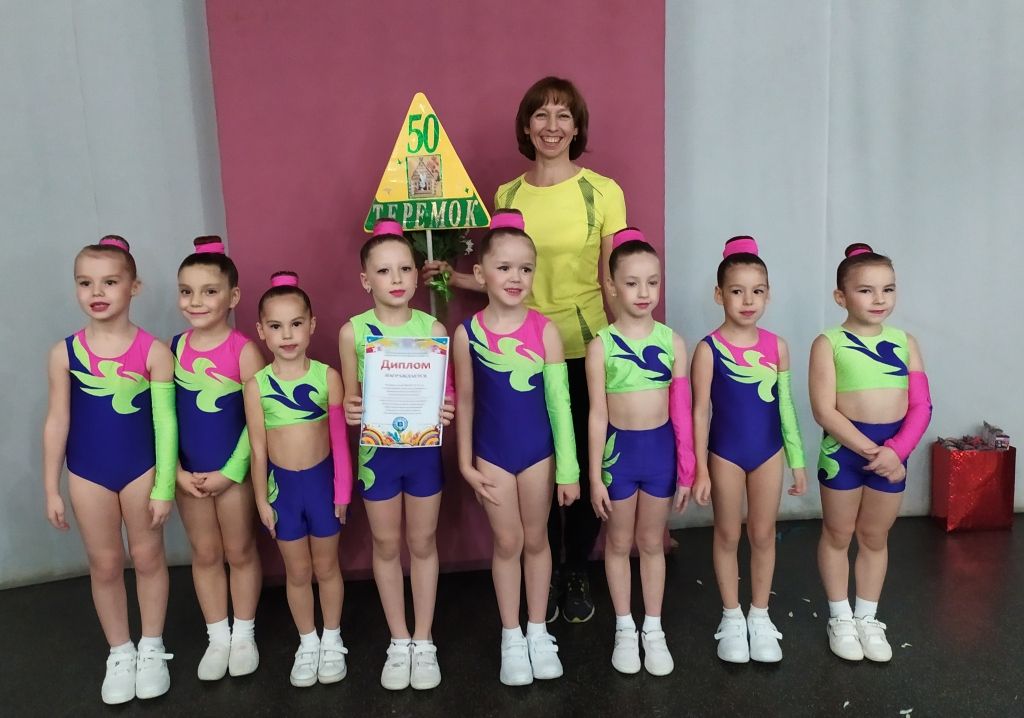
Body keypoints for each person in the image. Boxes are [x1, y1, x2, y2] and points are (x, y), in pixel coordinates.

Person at [424, 77, 626, 623]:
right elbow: (502, 273)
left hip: (582, 347)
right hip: (517, 354)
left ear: (577, 127)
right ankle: (545, 569)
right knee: (528, 462)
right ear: (526, 126)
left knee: (578, 463)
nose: (552, 127)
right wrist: (452, 277)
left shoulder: (604, 191)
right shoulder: (507, 196)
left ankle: (574, 567)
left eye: (563, 116)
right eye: (541, 115)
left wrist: (626, 343)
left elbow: (613, 279)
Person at [42, 235, 177, 704]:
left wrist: (164, 486)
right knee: (103, 564)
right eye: (85, 282)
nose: (96, 292)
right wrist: (51, 487)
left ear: (134, 287)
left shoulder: (154, 352)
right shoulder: (64, 354)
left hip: (141, 470)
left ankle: (152, 647)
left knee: (148, 557)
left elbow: (165, 424)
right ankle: (120, 651)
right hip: (87, 473)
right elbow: (58, 420)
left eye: (110, 282)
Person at [452, 210, 580, 685]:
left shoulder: (545, 331)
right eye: (504, 267)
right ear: (480, 273)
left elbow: (560, 405)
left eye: (525, 268)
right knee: (507, 542)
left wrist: (568, 470)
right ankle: (511, 635)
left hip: (539, 455)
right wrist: (465, 463)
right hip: (492, 456)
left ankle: (538, 630)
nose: (515, 277)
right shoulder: (467, 334)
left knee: (537, 538)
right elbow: (465, 400)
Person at [338, 219, 454, 691]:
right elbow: (350, 400)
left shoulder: (433, 328)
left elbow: (445, 394)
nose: (397, 278)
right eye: (384, 271)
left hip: (422, 453)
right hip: (377, 456)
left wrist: (446, 408)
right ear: (366, 280)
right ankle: (398, 639)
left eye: (405, 268)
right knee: (386, 545)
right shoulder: (352, 332)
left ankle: (424, 640)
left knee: (423, 543)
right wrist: (352, 409)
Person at [809, 243, 930, 662]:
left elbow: (921, 406)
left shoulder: (905, 342)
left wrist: (896, 452)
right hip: (843, 453)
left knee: (875, 538)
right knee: (838, 534)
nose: (879, 299)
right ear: (840, 296)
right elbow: (824, 410)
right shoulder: (828, 343)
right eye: (866, 290)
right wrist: (871, 450)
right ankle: (840, 617)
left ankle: (867, 617)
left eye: (888, 289)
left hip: (893, 455)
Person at [691, 236, 808, 663]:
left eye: (757, 291)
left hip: (768, 453)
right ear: (719, 294)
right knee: (727, 533)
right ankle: (731, 616)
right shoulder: (708, 349)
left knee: (762, 534)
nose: (747, 300)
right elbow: (699, 412)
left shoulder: (777, 346)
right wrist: (700, 469)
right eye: (737, 291)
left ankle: (759, 614)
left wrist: (797, 460)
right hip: (725, 453)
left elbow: (785, 406)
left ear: (768, 295)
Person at [586, 228, 694, 676]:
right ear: (611, 286)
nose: (644, 292)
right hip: (619, 457)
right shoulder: (601, 346)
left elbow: (682, 412)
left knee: (652, 543)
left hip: (659, 456)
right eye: (632, 283)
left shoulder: (672, 342)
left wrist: (687, 470)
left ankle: (653, 627)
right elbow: (597, 415)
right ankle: (625, 628)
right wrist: (594, 475)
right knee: (617, 543)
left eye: (652, 281)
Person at [243, 272, 353, 687]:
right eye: (275, 326)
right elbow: (258, 449)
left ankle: (332, 638)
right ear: (261, 331)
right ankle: (307, 642)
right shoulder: (256, 386)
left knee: (327, 567)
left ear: (311, 325)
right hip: (283, 492)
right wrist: (260, 500)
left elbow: (340, 441)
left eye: (295, 324)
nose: (286, 335)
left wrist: (343, 490)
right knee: (298, 571)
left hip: (323, 488)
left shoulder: (327, 377)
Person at [172, 236, 263, 680]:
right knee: (205, 552)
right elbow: (164, 418)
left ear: (233, 296)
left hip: (233, 473)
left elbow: (257, 422)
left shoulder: (244, 350)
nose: (196, 301)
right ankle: (217, 636)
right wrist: (175, 471)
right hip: (188, 474)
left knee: (239, 550)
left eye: (209, 291)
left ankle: (243, 633)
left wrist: (231, 472)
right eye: (186, 291)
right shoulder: (172, 349)